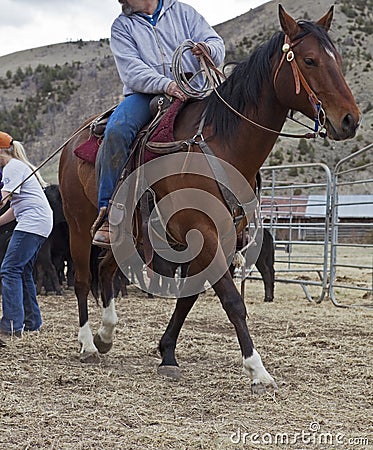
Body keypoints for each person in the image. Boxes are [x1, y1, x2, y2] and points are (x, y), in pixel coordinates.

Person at [92, 0, 225, 247]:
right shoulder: (122, 26)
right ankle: (110, 212)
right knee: (117, 130)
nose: (121, 0)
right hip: (146, 94)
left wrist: (208, 49)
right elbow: (131, 70)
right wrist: (166, 85)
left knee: (230, 127)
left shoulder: (184, 12)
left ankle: (241, 209)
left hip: (193, 87)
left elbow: (216, 42)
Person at [0, 131, 53, 342]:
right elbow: (14, 208)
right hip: (38, 222)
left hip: (32, 223)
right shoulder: (18, 167)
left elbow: (2, 200)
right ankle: (32, 322)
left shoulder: (12, 167)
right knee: (22, 271)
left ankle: (12, 324)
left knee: (9, 269)